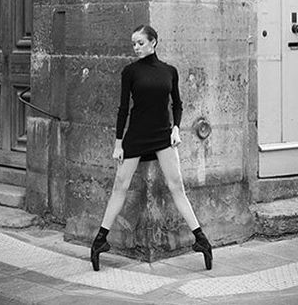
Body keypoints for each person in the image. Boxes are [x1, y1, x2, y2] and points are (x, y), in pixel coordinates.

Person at [90, 24, 213, 271]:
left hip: (162, 136)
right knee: (120, 186)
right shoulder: (130, 72)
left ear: (153, 42)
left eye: (140, 43)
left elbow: (177, 104)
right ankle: (99, 242)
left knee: (177, 186)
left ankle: (202, 241)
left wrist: (176, 128)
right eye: (134, 44)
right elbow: (123, 109)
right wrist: (118, 143)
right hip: (136, 136)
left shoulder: (170, 71)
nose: (136, 48)